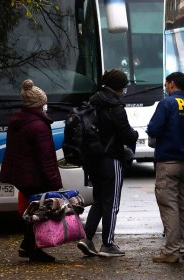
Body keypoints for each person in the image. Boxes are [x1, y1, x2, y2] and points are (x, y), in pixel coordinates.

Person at [0, 79, 63, 262]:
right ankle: (33, 248)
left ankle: (28, 246)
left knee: (32, 210)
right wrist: (54, 183)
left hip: (22, 174)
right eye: (44, 103)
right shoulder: (39, 126)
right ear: (39, 104)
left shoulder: (18, 121)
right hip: (35, 176)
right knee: (39, 212)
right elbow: (47, 158)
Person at [77, 69, 139, 257]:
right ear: (120, 87)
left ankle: (87, 238)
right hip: (111, 158)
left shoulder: (92, 102)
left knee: (99, 200)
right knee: (111, 203)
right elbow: (127, 134)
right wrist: (135, 134)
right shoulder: (115, 106)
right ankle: (108, 243)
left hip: (93, 159)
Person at [147, 72, 184, 263]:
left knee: (169, 206)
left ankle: (171, 251)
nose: (165, 87)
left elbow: (153, 129)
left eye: (166, 84)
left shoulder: (167, 103)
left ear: (171, 84)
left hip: (168, 161)